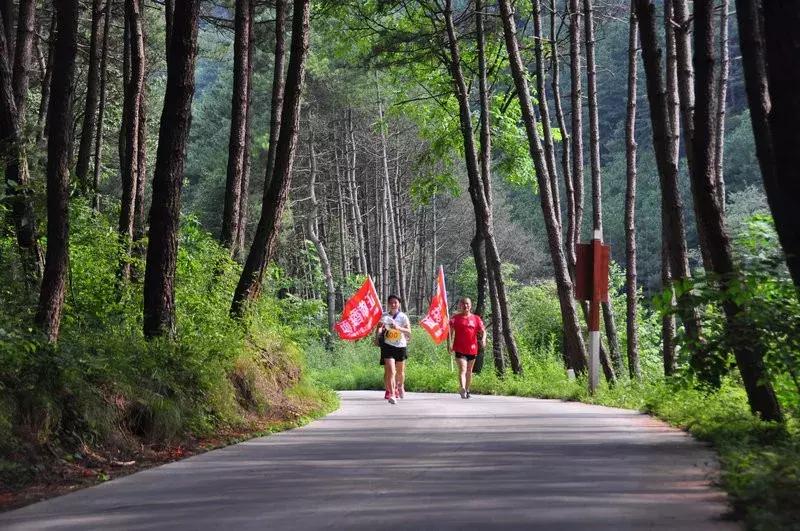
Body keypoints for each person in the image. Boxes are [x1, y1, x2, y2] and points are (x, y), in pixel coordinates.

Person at [375, 294, 411, 404]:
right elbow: (379, 330)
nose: (393, 305)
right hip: (388, 346)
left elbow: (409, 332)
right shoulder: (384, 316)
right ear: (388, 304)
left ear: (399, 304)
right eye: (391, 303)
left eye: (395, 302)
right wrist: (378, 333)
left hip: (400, 346)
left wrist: (398, 328)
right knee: (391, 370)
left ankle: (400, 386)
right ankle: (392, 394)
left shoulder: (403, 317)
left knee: (400, 372)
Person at [448, 297, 486, 399]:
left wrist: (484, 339)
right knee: (463, 369)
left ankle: (467, 390)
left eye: (467, 304)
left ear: (470, 305)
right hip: (459, 348)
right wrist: (449, 344)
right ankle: (462, 388)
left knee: (469, 371)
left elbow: (483, 331)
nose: (465, 306)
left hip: (472, 349)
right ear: (460, 305)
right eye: (463, 304)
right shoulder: (455, 318)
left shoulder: (476, 319)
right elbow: (450, 332)